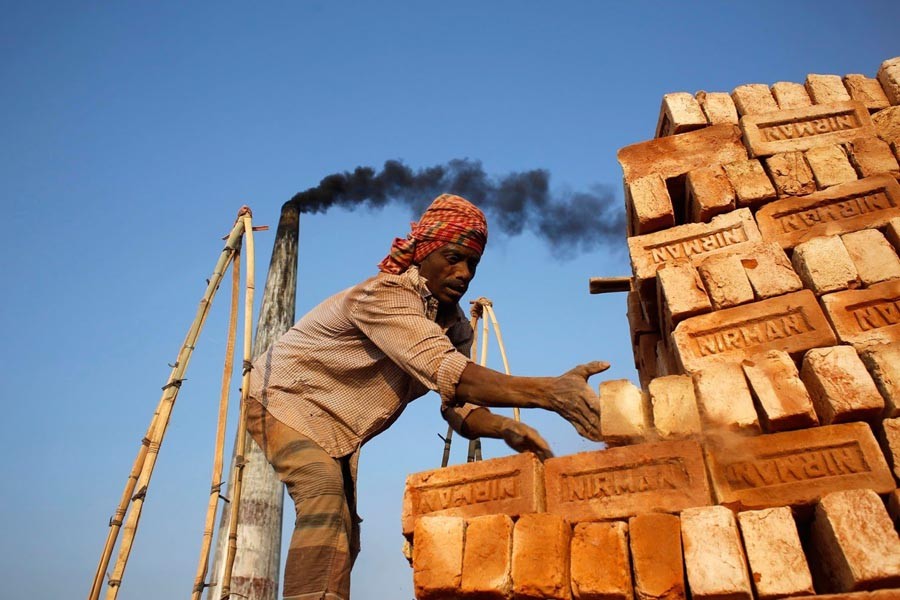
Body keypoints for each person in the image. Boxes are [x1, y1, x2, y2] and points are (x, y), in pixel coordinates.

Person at [246, 193, 608, 600]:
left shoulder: (454, 327)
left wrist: (503, 427)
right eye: (453, 258)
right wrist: (551, 393)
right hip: (281, 397)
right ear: (424, 253)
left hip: (335, 426)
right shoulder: (385, 296)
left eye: (472, 263)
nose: (464, 273)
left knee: (344, 529)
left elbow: (459, 406)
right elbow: (450, 373)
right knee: (322, 492)